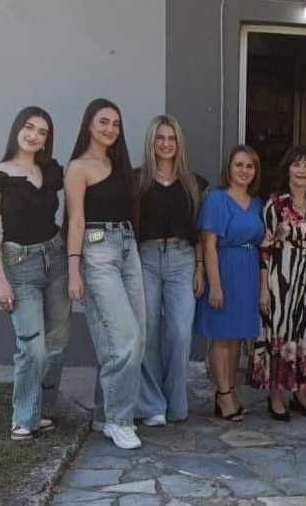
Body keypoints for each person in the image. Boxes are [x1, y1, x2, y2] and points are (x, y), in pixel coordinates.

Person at [0, 106, 69, 441]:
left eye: (42, 132)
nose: (34, 136)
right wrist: (0, 280)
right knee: (33, 347)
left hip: (56, 258)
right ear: (17, 129)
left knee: (57, 344)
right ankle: (24, 417)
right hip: (20, 265)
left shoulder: (49, 171)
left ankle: (42, 409)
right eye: (29, 127)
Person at [65, 98, 145, 450]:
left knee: (135, 336)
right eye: (103, 121)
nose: (110, 128)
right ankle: (120, 420)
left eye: (116, 123)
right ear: (89, 124)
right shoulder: (78, 168)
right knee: (125, 338)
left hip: (128, 248)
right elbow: (75, 221)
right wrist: (74, 270)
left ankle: (105, 413)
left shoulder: (118, 163)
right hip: (97, 250)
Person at [247, 145, 306, 420]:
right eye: (297, 165)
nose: (302, 171)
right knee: (280, 330)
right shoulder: (275, 204)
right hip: (280, 277)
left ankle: (302, 393)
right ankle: (275, 396)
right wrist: (264, 289)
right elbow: (265, 249)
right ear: (288, 170)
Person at [134, 115, 208, 426]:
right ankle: (152, 405)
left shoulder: (194, 183)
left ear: (179, 143)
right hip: (146, 258)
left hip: (183, 259)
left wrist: (200, 267)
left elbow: (200, 230)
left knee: (179, 332)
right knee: (148, 330)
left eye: (171, 138)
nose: (166, 144)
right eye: (160, 138)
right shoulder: (137, 181)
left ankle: (176, 404)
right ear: (151, 142)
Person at [194, 145, 264, 423]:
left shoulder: (256, 203)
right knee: (222, 336)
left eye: (250, 166)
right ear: (229, 168)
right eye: (239, 165)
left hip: (249, 271)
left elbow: (261, 238)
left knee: (237, 337)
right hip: (224, 269)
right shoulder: (216, 199)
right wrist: (215, 285)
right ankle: (223, 394)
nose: (244, 170)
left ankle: (230, 391)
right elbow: (208, 244)